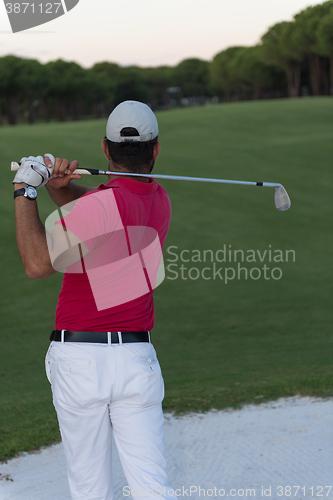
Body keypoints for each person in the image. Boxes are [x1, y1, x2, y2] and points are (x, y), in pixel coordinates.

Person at [13, 100, 177, 500]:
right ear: (155, 150)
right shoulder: (159, 201)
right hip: (137, 362)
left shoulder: (98, 206)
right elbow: (100, 211)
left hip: (81, 363)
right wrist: (61, 187)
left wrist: (26, 190)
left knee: (90, 488)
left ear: (105, 149)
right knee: (152, 486)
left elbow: (37, 264)